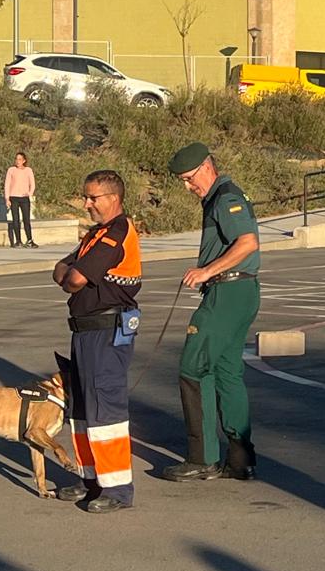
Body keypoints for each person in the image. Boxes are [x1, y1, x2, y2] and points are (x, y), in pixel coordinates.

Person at [156, 142, 261, 483]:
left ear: (206, 167)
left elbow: (247, 242)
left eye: (189, 178)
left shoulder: (225, 197)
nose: (188, 187)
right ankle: (240, 457)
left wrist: (206, 271)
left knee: (194, 368)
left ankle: (202, 458)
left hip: (227, 291)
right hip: (240, 291)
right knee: (227, 372)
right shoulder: (220, 196)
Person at [52, 170, 142, 513]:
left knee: (106, 410)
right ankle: (91, 478)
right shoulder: (96, 233)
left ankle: (117, 489)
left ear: (113, 198)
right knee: (83, 409)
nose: (87, 203)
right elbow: (60, 268)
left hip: (106, 331)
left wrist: (70, 275)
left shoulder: (116, 232)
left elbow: (73, 278)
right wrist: (68, 273)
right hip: (86, 330)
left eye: (93, 198)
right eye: (86, 197)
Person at [5, 152, 37, 248]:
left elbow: (32, 184)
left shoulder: (28, 170)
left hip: (24, 198)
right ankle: (18, 241)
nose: (17, 161)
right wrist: (7, 198)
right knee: (16, 219)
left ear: (24, 160)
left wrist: (29, 194)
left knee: (26, 219)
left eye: (19, 159)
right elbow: (7, 185)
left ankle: (30, 240)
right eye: (16, 159)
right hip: (13, 197)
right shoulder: (11, 170)